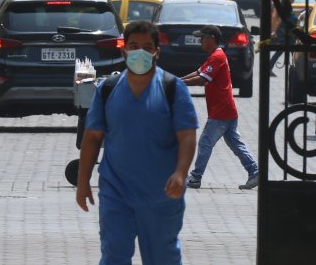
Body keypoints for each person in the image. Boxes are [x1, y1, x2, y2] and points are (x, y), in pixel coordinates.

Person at [76, 20, 199, 264]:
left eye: (147, 46)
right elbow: (92, 137)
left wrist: (181, 172)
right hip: (116, 191)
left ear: (157, 52)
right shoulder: (107, 89)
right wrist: (83, 182)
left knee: (162, 257)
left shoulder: (174, 89)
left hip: (162, 193)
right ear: (123, 50)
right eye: (133, 46)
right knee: (114, 254)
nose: (139, 52)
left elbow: (187, 136)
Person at [180, 25, 259, 190]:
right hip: (226, 109)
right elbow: (198, 72)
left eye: (202, 37)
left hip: (221, 111)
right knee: (235, 143)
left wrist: (180, 83)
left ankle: (195, 178)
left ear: (212, 38)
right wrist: (179, 80)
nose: (200, 40)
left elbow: (202, 79)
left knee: (205, 142)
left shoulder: (217, 56)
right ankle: (255, 171)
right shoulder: (215, 56)